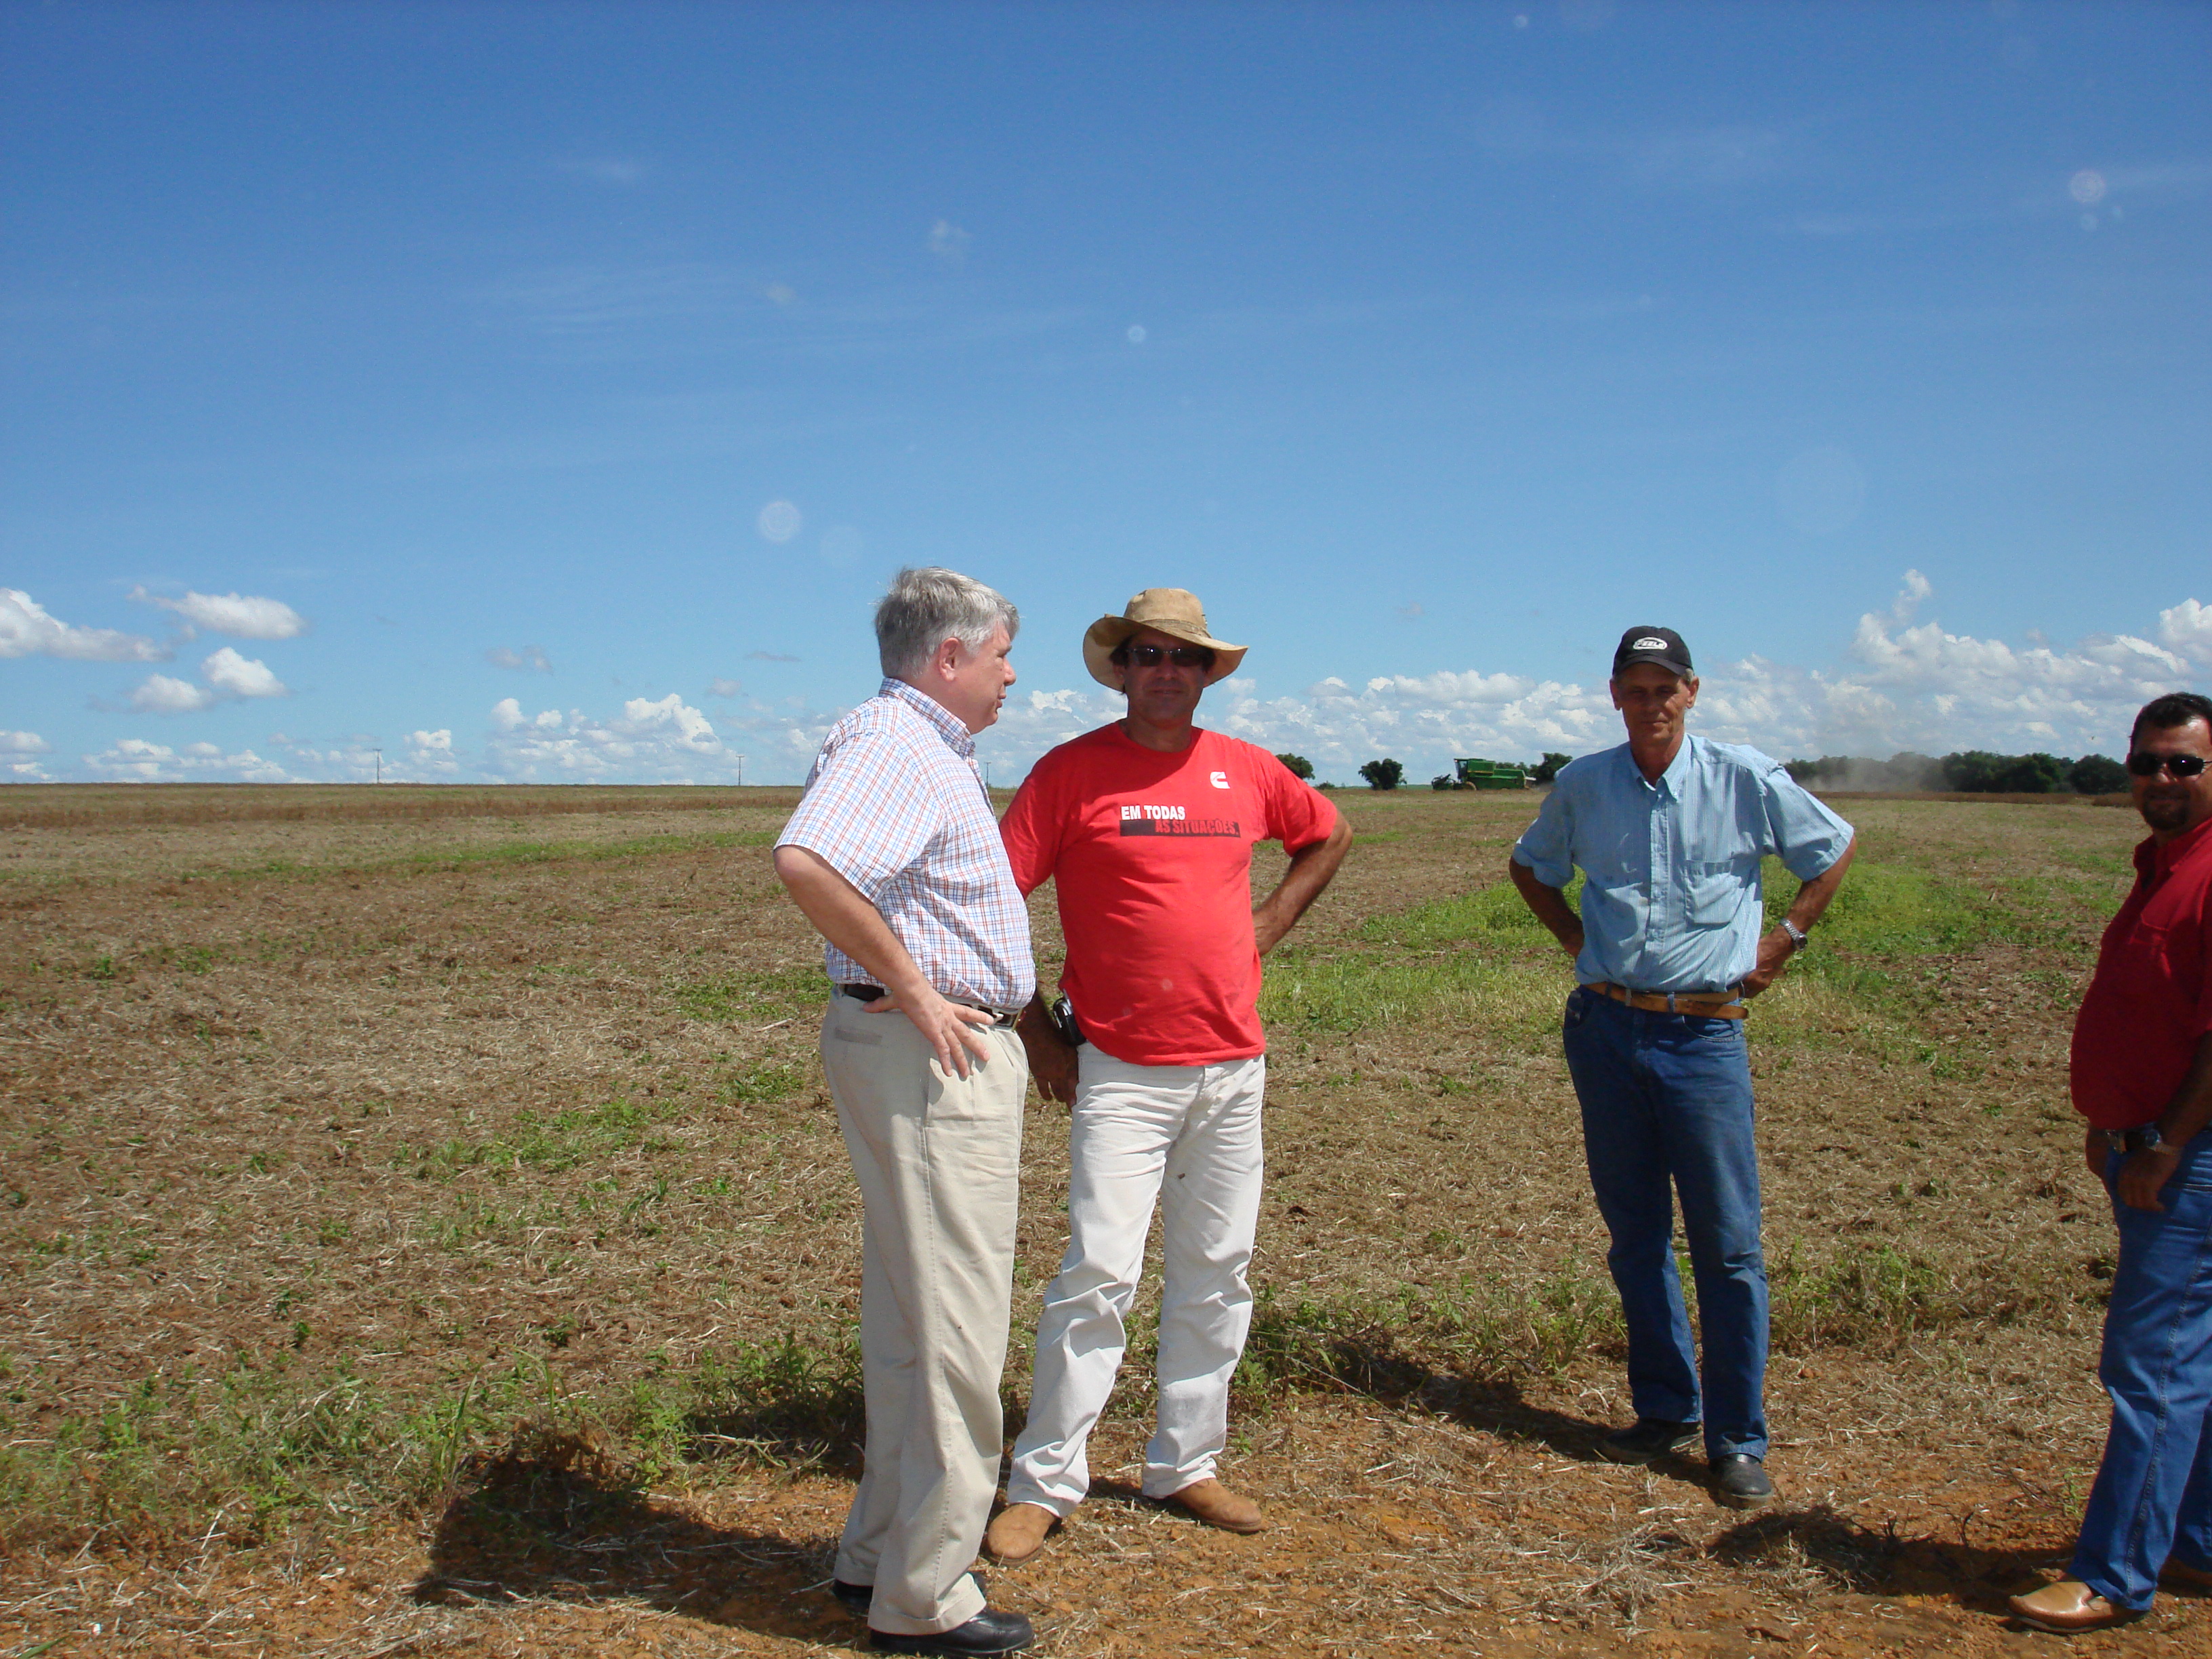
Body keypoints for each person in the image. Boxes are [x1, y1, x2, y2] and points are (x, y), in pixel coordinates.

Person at [981, 588, 1352, 1565]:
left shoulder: (1245, 771)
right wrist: (1037, 1036)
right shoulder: (1069, 775)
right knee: (1097, 1273)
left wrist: (1269, 924)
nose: (1166, 671)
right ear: (1123, 667)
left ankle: (1185, 1463)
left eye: (1184, 658)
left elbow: (1330, 835)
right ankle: (1044, 1480)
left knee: (1217, 1273)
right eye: (1148, 654)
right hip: (1121, 1070)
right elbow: (991, 902)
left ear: (1205, 674)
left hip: (1232, 1066)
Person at [1508, 625, 1855, 1511]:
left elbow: (1832, 848)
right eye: (1635, 687)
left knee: (1729, 1247)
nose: (1651, 703)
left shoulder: (1743, 776)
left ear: (1692, 693)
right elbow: (1531, 867)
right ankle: (1666, 1410)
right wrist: (1579, 942)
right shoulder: (1585, 784)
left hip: (1704, 1041)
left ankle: (1737, 1440)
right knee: (1635, 1236)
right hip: (1606, 1031)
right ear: (1614, 694)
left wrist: (1785, 941)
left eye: (1666, 688)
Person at [773, 567, 1038, 1658]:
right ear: (949, 659)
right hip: (934, 1058)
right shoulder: (901, 745)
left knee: (910, 1320)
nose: (1012, 674)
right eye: (1002, 655)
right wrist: (922, 987)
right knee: (956, 1334)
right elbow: (810, 861)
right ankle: (927, 1597)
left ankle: (880, 1555)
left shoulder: (912, 745)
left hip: (912, 1055)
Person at [2007, 691, 2212, 1635]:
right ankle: (2195, 1543)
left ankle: (2116, 1574)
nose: (2161, 780)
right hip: (2149, 1142)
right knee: (2191, 1358)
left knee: (2153, 1366)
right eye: (2148, 763)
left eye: (2184, 764)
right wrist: (2114, 1120)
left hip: (2191, 1156)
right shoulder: (2159, 865)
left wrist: (2166, 1141)